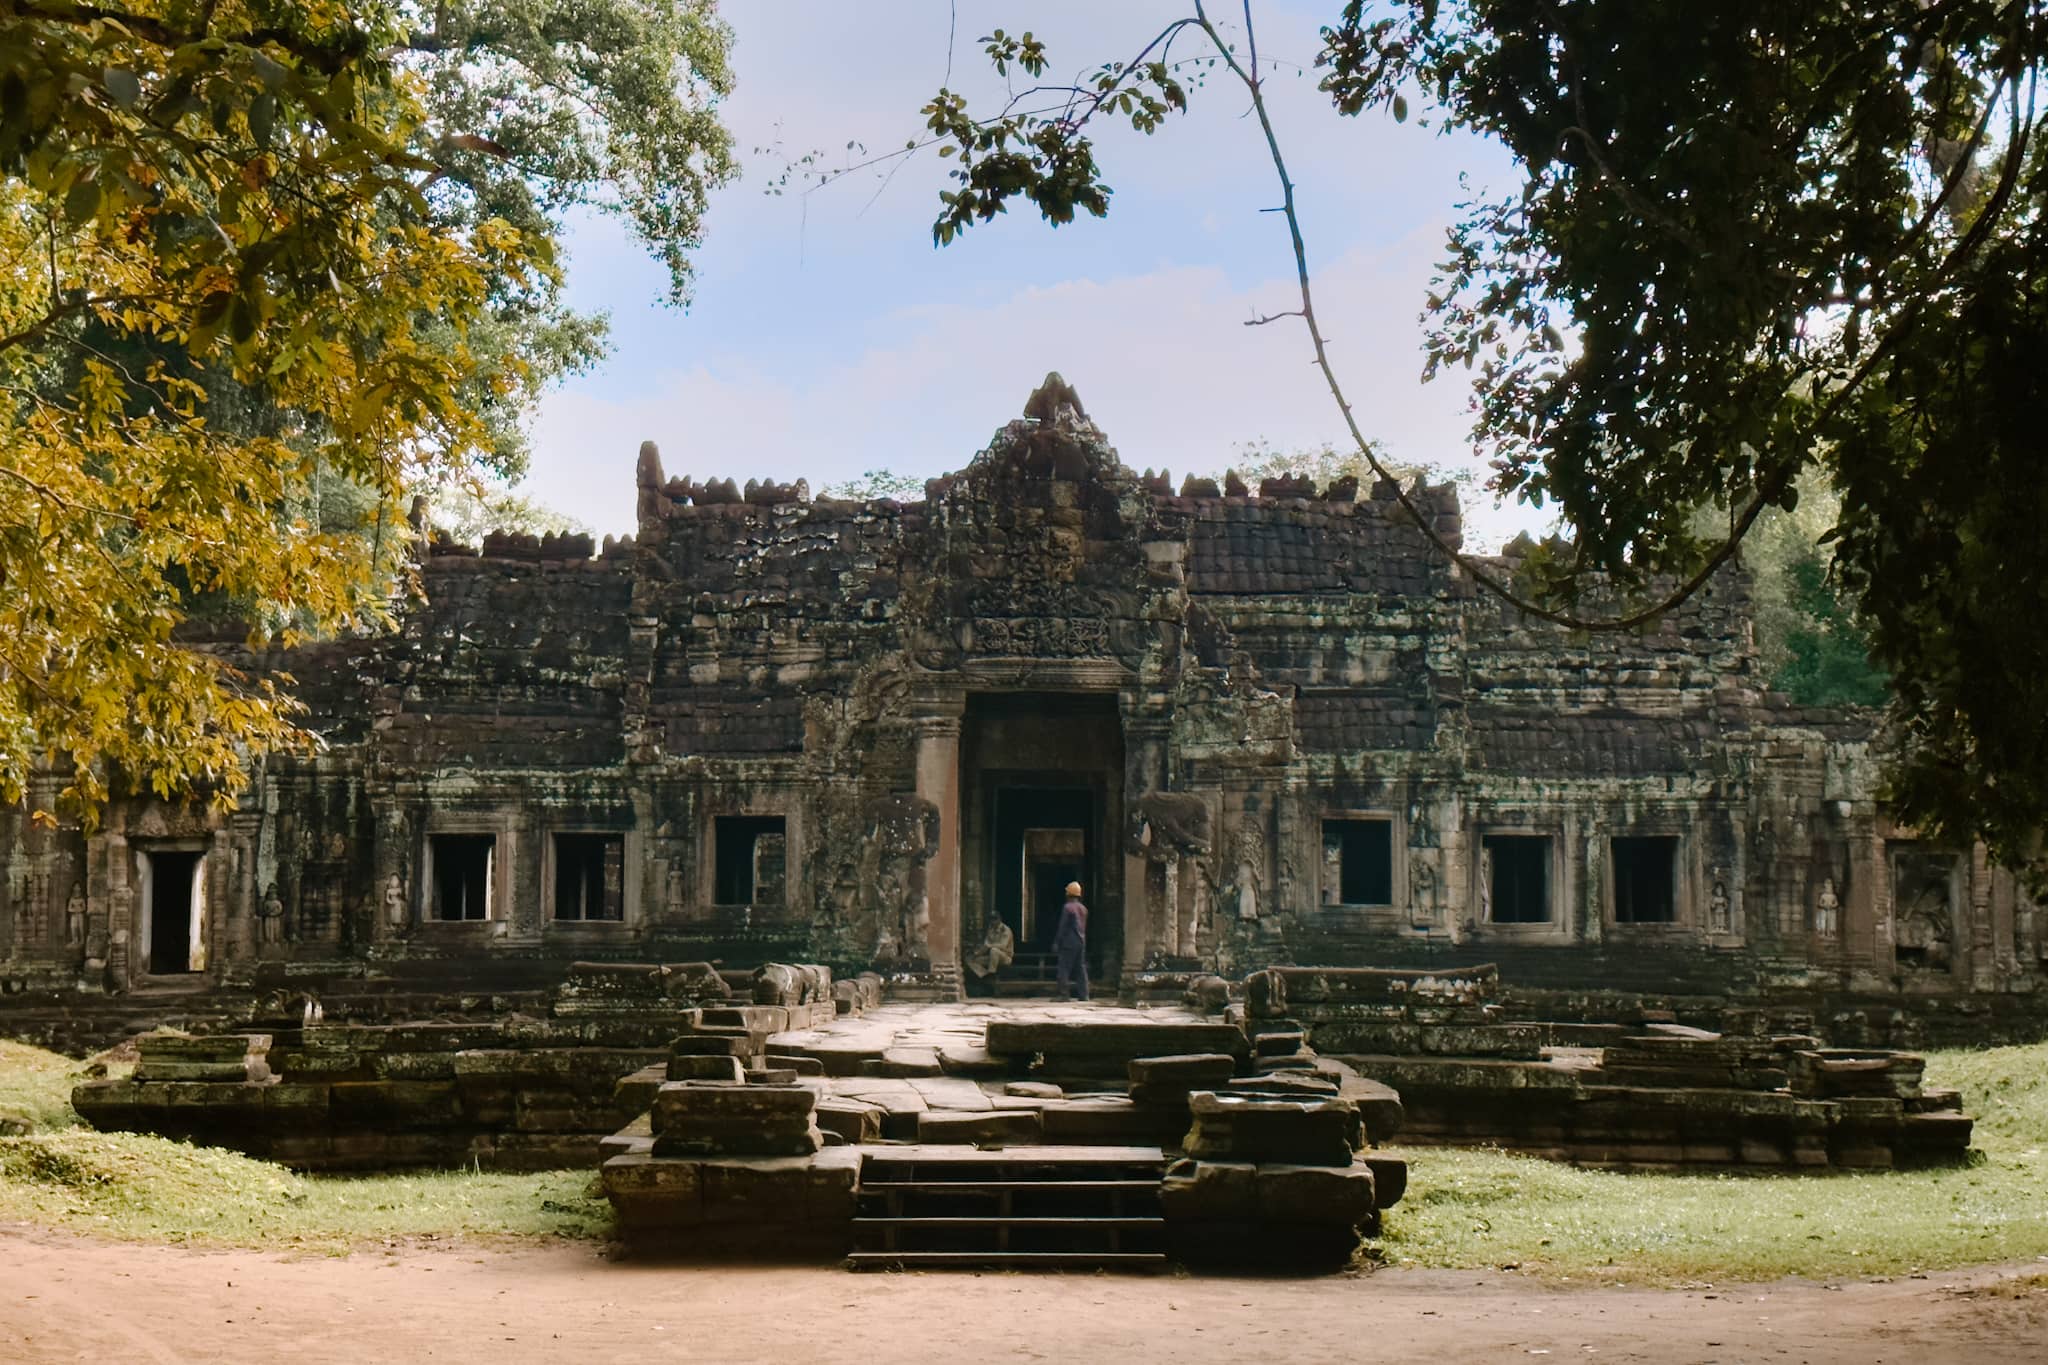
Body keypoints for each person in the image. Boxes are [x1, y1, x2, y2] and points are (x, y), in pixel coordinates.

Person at [1054, 880, 1089, 1001]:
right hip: (1081, 941)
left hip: (1069, 942)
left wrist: (1057, 942)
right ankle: (1084, 994)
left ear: (1068, 894)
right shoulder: (1083, 909)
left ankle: (1063, 994)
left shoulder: (1068, 908)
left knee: (1064, 967)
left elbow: (1063, 926)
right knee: (1081, 968)